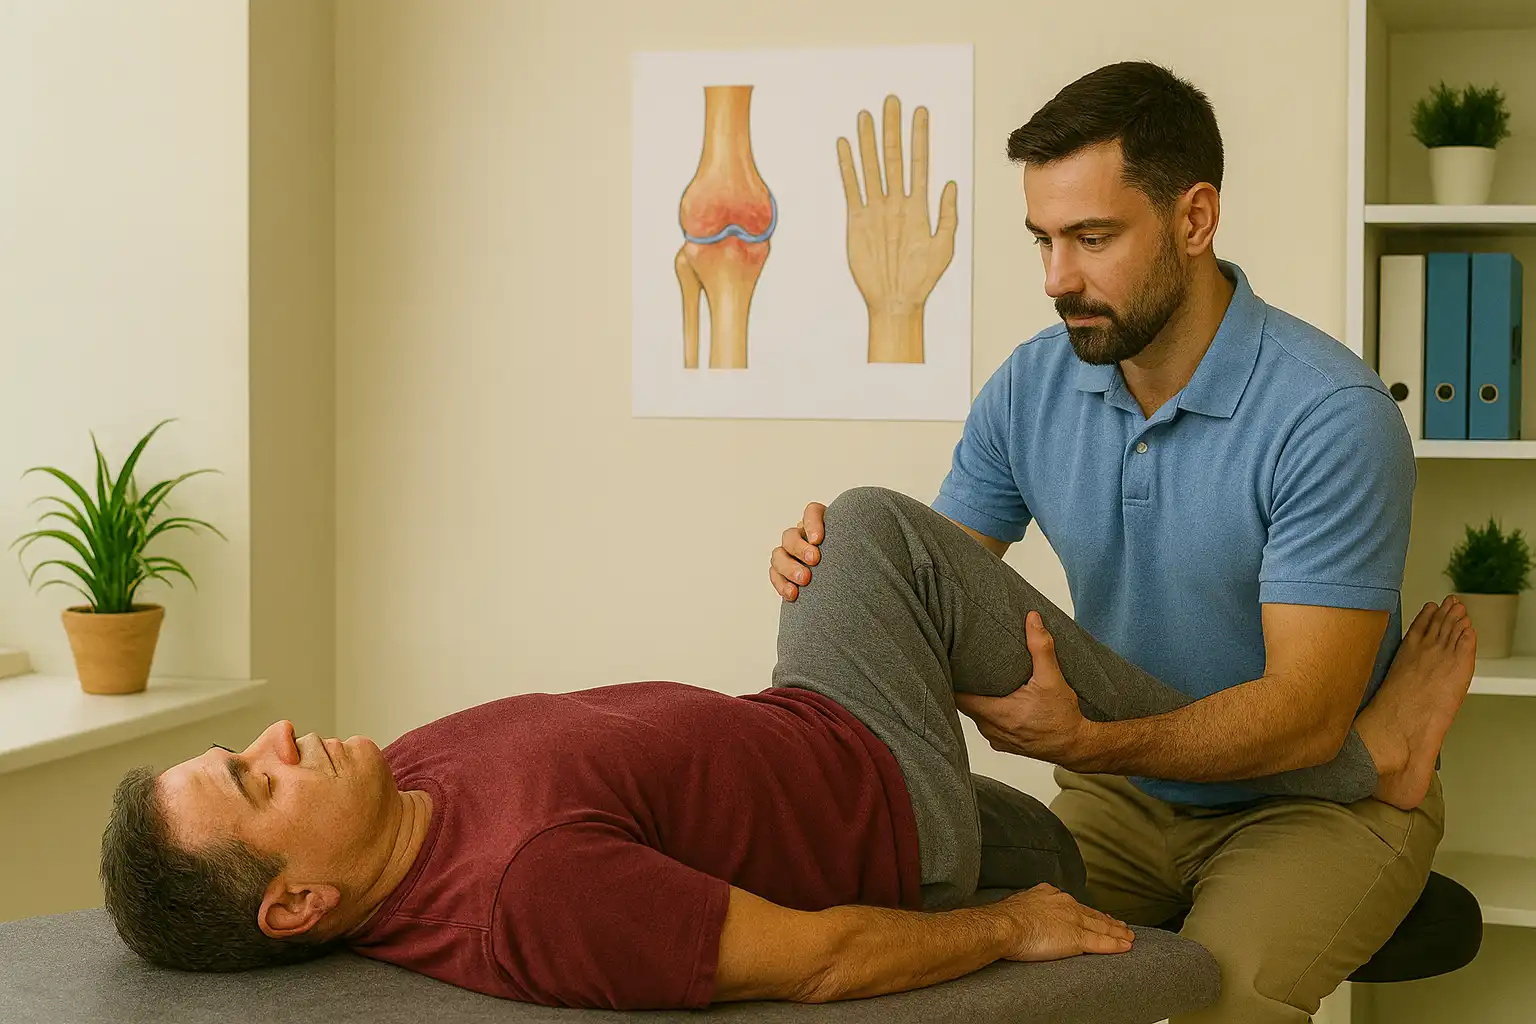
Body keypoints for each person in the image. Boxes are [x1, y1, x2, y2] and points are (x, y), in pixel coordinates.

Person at [99, 488, 1471, 1012]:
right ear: (297, 903)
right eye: (254, 783)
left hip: (844, 761)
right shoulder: (531, 895)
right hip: (887, 805)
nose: (278, 738)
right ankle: (1345, 759)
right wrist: (1004, 932)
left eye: (244, 745)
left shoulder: (404, 780)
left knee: (1085, 866)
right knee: (871, 533)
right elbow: (812, 961)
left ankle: (1369, 895)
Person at [769, 63, 1477, 1024]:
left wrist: (1092, 742)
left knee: (1216, 999)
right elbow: (941, 594)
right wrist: (837, 570)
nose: (1057, 278)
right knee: (951, 980)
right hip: (1125, 800)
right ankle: (1380, 751)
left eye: (1092, 238)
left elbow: (1305, 717)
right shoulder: (1030, 387)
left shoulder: (1328, 415)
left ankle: (1382, 770)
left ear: (1195, 220)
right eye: (1044, 239)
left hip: (1311, 807)